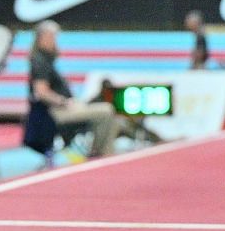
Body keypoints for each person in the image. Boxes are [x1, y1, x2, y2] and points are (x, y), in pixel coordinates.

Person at [28, 21, 147, 158]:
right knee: (106, 110)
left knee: (109, 113)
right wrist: (63, 102)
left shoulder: (46, 60)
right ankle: (99, 154)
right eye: (52, 37)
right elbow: (41, 92)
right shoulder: (39, 61)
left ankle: (103, 153)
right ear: (42, 37)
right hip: (57, 112)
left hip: (64, 106)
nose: (55, 41)